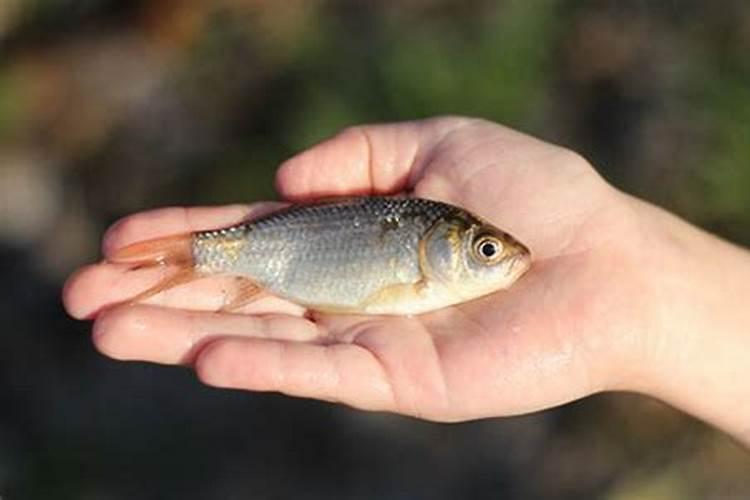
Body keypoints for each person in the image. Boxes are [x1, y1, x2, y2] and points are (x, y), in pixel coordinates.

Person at [63, 117, 750, 446]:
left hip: (284, 260)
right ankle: (176, 258)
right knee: (182, 274)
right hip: (275, 256)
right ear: (444, 245)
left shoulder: (440, 260)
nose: (502, 261)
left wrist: (637, 287)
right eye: (484, 250)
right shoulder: (421, 252)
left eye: (486, 250)